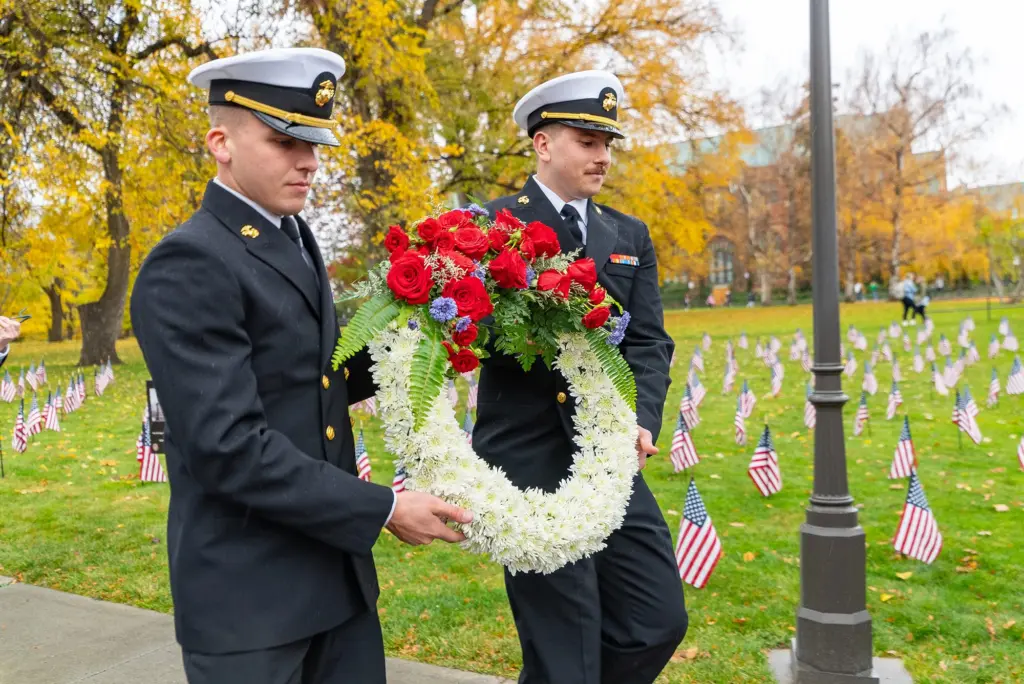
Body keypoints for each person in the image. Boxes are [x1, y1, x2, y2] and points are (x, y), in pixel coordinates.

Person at [130, 47, 472, 684]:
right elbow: (228, 446)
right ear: (220, 143)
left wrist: (432, 327)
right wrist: (383, 508)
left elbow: (318, 377)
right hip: (250, 602)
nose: (309, 160)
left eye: (313, 142)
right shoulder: (189, 262)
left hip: (333, 586)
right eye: (285, 141)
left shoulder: (292, 235)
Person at [477, 70, 688, 684]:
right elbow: (458, 334)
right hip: (526, 457)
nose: (603, 157)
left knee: (656, 619)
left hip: (605, 455)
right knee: (564, 644)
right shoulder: (487, 227)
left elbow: (649, 341)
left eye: (608, 144)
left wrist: (641, 420)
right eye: (587, 141)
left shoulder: (628, 234)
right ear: (543, 144)